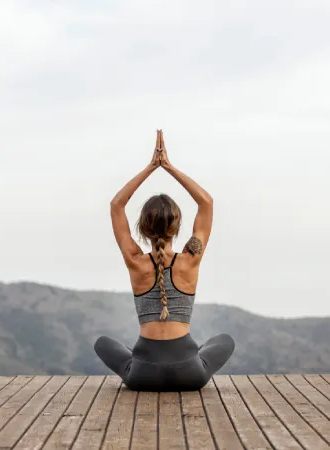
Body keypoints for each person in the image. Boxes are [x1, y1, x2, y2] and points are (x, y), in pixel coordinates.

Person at [94, 129, 235, 392]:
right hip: (190, 374)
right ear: (177, 226)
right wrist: (168, 167)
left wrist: (151, 168)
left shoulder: (135, 260)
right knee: (223, 340)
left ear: (143, 228)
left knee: (103, 343)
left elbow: (116, 205)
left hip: (142, 375)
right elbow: (206, 203)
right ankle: (189, 356)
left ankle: (140, 359)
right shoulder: (190, 259)